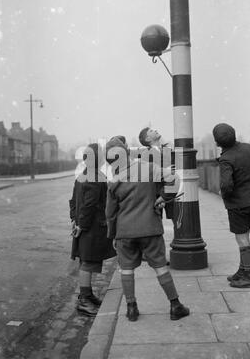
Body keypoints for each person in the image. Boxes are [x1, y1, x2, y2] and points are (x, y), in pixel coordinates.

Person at [105, 137, 189, 321]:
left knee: (126, 269)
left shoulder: (113, 183)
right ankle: (175, 306)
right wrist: (164, 197)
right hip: (150, 228)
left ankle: (131, 308)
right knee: (160, 266)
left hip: (125, 233)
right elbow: (173, 178)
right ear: (127, 151)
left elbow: (110, 214)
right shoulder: (147, 167)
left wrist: (113, 235)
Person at [212, 123, 250, 288]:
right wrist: (249, 186)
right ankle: (243, 270)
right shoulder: (249, 148)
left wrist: (227, 196)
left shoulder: (226, 159)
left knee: (242, 238)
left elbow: (226, 185)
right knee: (245, 234)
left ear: (217, 143)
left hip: (238, 204)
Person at [69, 143, 116, 316]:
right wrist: (82, 225)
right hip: (92, 227)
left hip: (84, 226)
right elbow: (89, 206)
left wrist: (74, 220)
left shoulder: (82, 175)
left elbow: (73, 201)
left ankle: (87, 295)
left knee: (86, 261)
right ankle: (83, 301)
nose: (104, 156)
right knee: (88, 262)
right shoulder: (96, 177)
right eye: (102, 154)